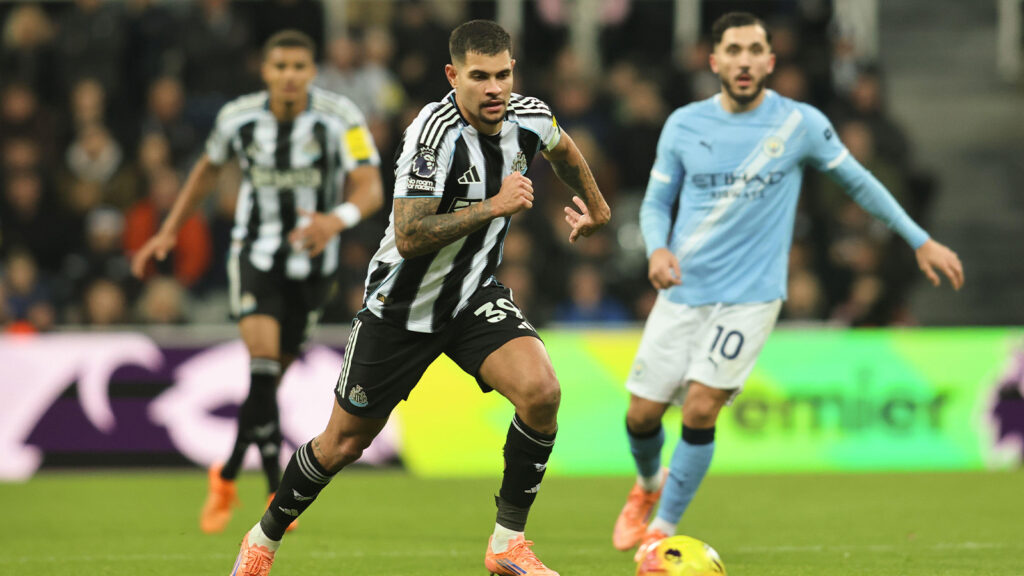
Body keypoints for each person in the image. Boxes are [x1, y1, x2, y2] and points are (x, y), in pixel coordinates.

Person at [228, 19, 611, 576]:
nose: (495, 88)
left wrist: (598, 208)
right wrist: (493, 206)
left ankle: (507, 544)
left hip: (472, 296)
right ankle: (261, 541)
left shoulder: (528, 114)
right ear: (453, 76)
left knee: (542, 392)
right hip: (401, 308)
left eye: (503, 74)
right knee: (341, 443)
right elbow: (408, 234)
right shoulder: (430, 135)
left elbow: (564, 149)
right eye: (479, 77)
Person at [612, 12, 965, 560]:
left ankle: (662, 527)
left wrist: (919, 239)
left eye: (756, 50)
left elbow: (861, 183)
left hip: (751, 296)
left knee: (701, 407)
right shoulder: (684, 124)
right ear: (715, 61)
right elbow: (657, 202)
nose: (745, 60)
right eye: (734, 50)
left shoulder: (798, 124)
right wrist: (656, 247)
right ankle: (649, 484)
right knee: (641, 415)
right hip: (683, 291)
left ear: (771, 62)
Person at [129, 30, 384, 534]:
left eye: (298, 67)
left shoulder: (340, 118)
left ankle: (225, 473)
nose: (289, 76)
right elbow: (205, 171)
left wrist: (336, 220)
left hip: (314, 266)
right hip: (255, 258)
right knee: (264, 368)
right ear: (265, 72)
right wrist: (168, 231)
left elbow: (371, 186)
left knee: (265, 385)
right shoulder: (237, 118)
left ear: (312, 73)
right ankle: (273, 483)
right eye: (280, 66)